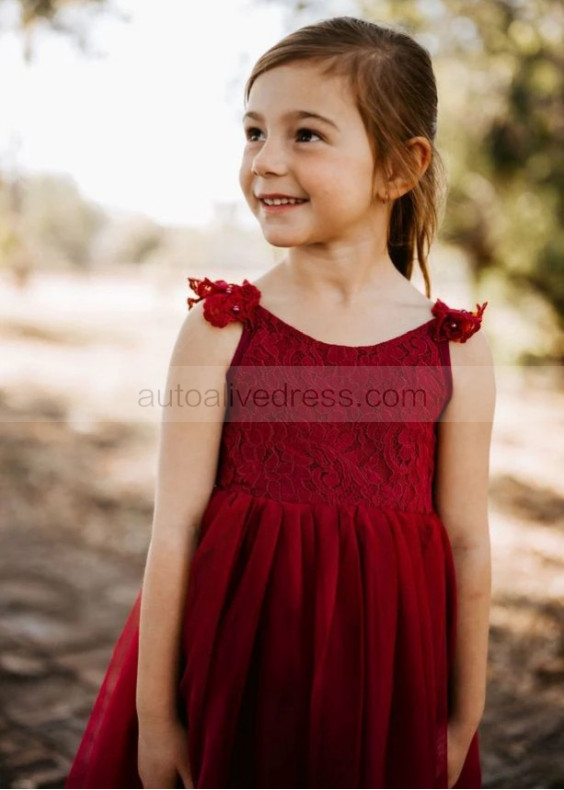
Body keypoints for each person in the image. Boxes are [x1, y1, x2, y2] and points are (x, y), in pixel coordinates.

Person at [64, 15, 495, 790]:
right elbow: (175, 533)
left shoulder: (453, 348)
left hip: (386, 680)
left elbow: (466, 542)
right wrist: (157, 719)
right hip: (238, 663)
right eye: (255, 131)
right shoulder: (223, 329)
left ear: (400, 167)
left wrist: (463, 718)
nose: (266, 160)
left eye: (306, 135)